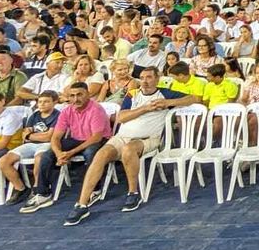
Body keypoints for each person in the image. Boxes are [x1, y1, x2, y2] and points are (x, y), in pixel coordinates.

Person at [62, 66, 197, 225]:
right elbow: (121, 117)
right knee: (101, 154)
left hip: (147, 138)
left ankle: (133, 192)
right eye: (142, 77)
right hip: (122, 136)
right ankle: (82, 204)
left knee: (128, 150)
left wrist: (169, 102)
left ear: (157, 79)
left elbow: (194, 99)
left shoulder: (164, 93)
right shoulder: (133, 94)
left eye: (149, 77)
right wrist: (144, 108)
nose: (145, 81)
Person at [19, 82, 112, 213]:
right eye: (72, 96)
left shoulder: (96, 109)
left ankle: (94, 190)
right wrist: (58, 154)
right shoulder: (67, 110)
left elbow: (96, 137)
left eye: (79, 95)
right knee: (47, 155)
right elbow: (56, 137)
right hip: (77, 139)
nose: (76, 99)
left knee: (90, 153)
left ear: (88, 94)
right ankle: (43, 193)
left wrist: (70, 153)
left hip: (98, 140)